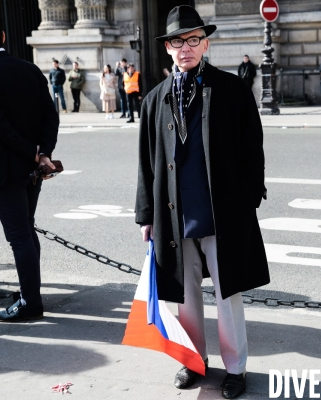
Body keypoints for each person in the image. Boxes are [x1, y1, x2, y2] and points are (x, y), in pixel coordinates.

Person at [136, 6, 269, 399]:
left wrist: (247, 200)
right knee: (185, 296)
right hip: (174, 216)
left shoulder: (230, 90)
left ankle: (236, 369)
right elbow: (146, 163)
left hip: (222, 212)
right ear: (168, 48)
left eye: (194, 39)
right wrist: (147, 215)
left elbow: (253, 151)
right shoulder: (154, 100)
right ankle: (193, 361)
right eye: (178, 41)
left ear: (205, 43)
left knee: (228, 295)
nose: (186, 48)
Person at [0, 13, 59, 322]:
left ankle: (31, 302)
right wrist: (43, 153)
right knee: (26, 230)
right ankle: (30, 291)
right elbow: (51, 115)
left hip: (5, 168)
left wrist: (34, 154)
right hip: (34, 167)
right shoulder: (30, 69)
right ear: (3, 37)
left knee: (18, 235)